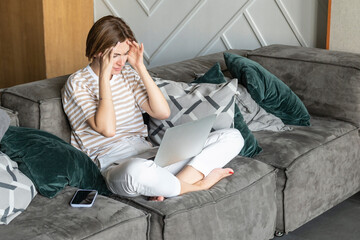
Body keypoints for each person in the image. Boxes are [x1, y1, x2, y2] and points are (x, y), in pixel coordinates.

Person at [62, 15, 244, 201]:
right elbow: (107, 130)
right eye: (115, 55)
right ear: (96, 52)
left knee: (232, 136)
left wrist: (140, 67)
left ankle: (170, 186)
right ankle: (199, 186)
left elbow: (162, 112)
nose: (121, 62)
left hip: (151, 157)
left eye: (125, 54)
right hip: (114, 167)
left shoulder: (127, 75)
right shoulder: (77, 83)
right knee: (137, 171)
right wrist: (104, 78)